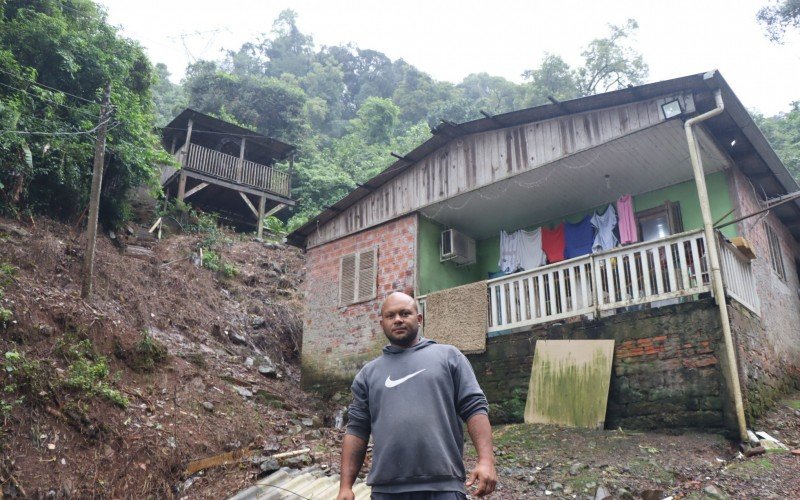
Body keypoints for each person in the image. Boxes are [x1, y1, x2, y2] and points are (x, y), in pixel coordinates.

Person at [337, 292, 497, 500]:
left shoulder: (449, 357)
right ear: (382, 323)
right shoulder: (368, 375)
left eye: (405, 313)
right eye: (390, 316)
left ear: (419, 319)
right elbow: (357, 430)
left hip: (443, 487)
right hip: (387, 491)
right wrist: (345, 487)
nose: (398, 320)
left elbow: (475, 407)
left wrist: (486, 461)